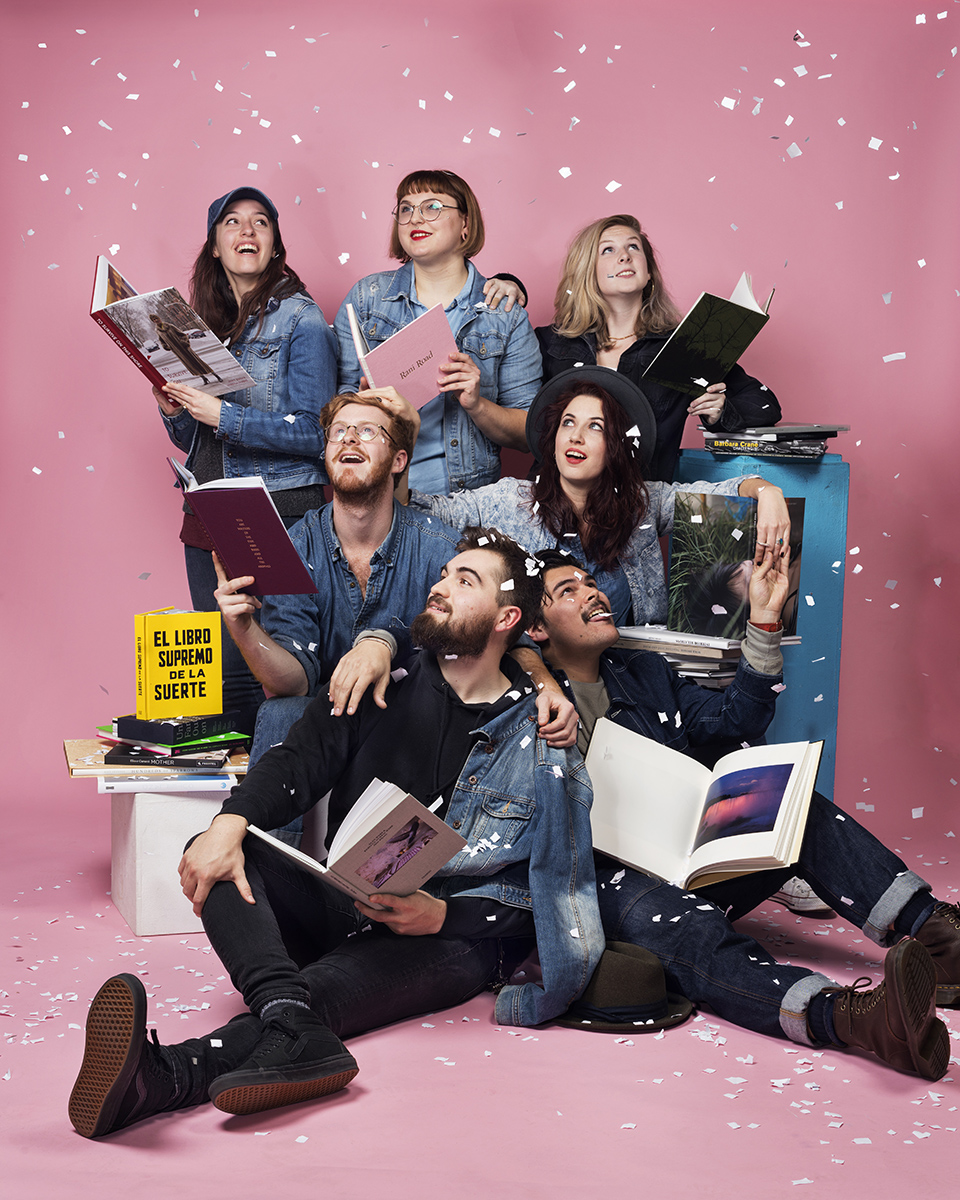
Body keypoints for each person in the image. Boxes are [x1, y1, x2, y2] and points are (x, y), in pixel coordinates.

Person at [67, 530, 604, 1138]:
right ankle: (288, 1021)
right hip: (341, 901)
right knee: (215, 850)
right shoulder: (379, 679)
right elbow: (297, 760)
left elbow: (557, 889)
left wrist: (443, 917)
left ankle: (163, 1076)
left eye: (465, 580)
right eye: (446, 572)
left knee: (320, 990)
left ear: (507, 617)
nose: (440, 585)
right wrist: (228, 822)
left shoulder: (539, 738)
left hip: (439, 942)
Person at [525, 548, 958, 1078]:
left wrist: (764, 618)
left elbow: (736, 719)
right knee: (688, 928)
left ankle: (939, 940)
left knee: (794, 810)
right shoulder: (522, 695)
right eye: (568, 590)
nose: (592, 592)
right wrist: (532, 673)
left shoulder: (644, 672)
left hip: (689, 859)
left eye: (591, 582)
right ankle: (855, 1018)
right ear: (536, 628)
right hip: (602, 884)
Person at [214, 390, 575, 769]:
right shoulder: (294, 547)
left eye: (368, 431)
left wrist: (546, 686)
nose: (350, 439)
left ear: (398, 460)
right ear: (326, 454)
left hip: (417, 721)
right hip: (324, 721)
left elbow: (506, 639)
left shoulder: (443, 550)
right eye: (338, 432)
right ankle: (253, 827)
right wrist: (243, 629)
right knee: (280, 711)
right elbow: (295, 683)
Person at [408, 367, 791, 631]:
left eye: (595, 427)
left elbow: (718, 494)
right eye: (568, 423)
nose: (575, 437)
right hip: (539, 685)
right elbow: (418, 508)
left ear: (616, 447)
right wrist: (399, 434)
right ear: (553, 439)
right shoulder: (508, 500)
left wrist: (765, 490)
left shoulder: (643, 502)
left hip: (631, 679)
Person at [156, 187, 338, 727]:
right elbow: (196, 435)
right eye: (232, 222)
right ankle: (238, 807)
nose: (247, 231)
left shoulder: (302, 320)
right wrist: (174, 410)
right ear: (214, 245)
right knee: (228, 672)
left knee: (283, 663)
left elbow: (316, 433)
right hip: (206, 510)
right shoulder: (201, 325)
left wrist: (223, 415)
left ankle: (280, 805)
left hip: (277, 509)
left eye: (261, 222)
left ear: (275, 241)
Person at [335, 169, 542, 493]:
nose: (415, 217)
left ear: (465, 225)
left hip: (466, 501)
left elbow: (530, 433)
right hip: (378, 494)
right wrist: (360, 405)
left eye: (432, 207)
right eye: (406, 208)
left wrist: (476, 404)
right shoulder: (366, 299)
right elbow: (334, 411)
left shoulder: (504, 316)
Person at [536, 215, 781, 482]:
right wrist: (509, 284)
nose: (624, 257)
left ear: (649, 270)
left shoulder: (687, 346)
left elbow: (766, 405)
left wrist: (722, 412)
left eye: (633, 247)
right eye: (608, 249)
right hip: (554, 503)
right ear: (587, 270)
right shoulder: (550, 342)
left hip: (641, 505)